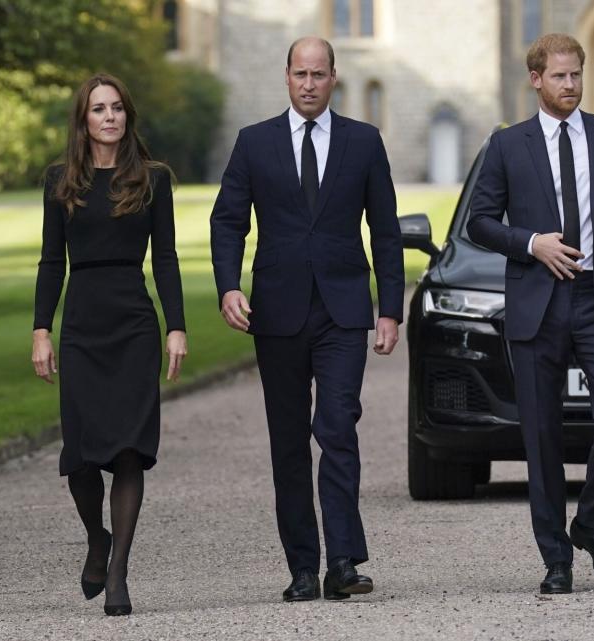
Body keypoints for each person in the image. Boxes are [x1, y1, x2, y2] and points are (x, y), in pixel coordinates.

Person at [467, 33, 594, 594]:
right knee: (542, 438)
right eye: (559, 76)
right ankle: (556, 559)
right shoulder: (508, 145)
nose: (571, 85)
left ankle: (591, 526)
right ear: (536, 79)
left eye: (577, 74)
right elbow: (479, 222)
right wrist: (532, 243)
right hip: (536, 303)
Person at [210, 36, 404, 602]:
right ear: (287, 77)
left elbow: (386, 231)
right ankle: (301, 566)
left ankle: (342, 561)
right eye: (301, 73)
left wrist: (389, 308)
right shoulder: (254, 143)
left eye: (320, 74)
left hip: (343, 310)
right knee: (289, 441)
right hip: (277, 311)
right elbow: (228, 223)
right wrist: (228, 287)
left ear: (334, 78)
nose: (310, 83)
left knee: (338, 428)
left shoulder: (364, 142)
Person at [32, 73, 187, 615]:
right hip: (81, 326)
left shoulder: (152, 179)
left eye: (117, 108)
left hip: (133, 325)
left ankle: (118, 571)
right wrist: (40, 331)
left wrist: (176, 326)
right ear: (83, 120)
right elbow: (52, 261)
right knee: (79, 457)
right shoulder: (60, 181)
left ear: (128, 116)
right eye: (99, 109)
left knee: (127, 451)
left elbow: (165, 258)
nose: (109, 117)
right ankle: (97, 539)